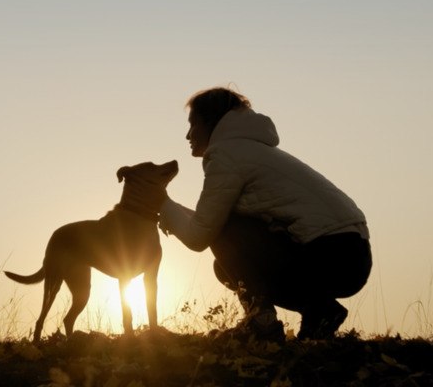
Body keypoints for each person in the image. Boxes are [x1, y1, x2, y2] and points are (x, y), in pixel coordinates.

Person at [158, 86, 371, 340]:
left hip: (330, 254)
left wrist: (159, 201)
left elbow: (200, 235)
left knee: (225, 229)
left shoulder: (227, 154)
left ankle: (261, 321)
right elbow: (208, 220)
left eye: (193, 124)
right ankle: (320, 311)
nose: (187, 135)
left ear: (211, 122)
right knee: (223, 267)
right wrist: (172, 209)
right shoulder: (249, 149)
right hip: (350, 255)